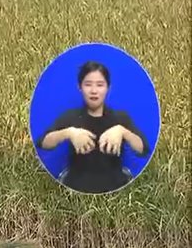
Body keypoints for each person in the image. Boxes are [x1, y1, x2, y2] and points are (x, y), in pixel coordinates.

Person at [37, 61, 149, 194]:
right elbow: (42, 142)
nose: (94, 91)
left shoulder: (120, 118)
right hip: (75, 189)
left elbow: (143, 149)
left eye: (100, 85)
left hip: (116, 190)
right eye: (88, 84)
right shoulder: (70, 117)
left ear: (108, 87)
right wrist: (69, 133)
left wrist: (123, 132)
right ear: (80, 87)